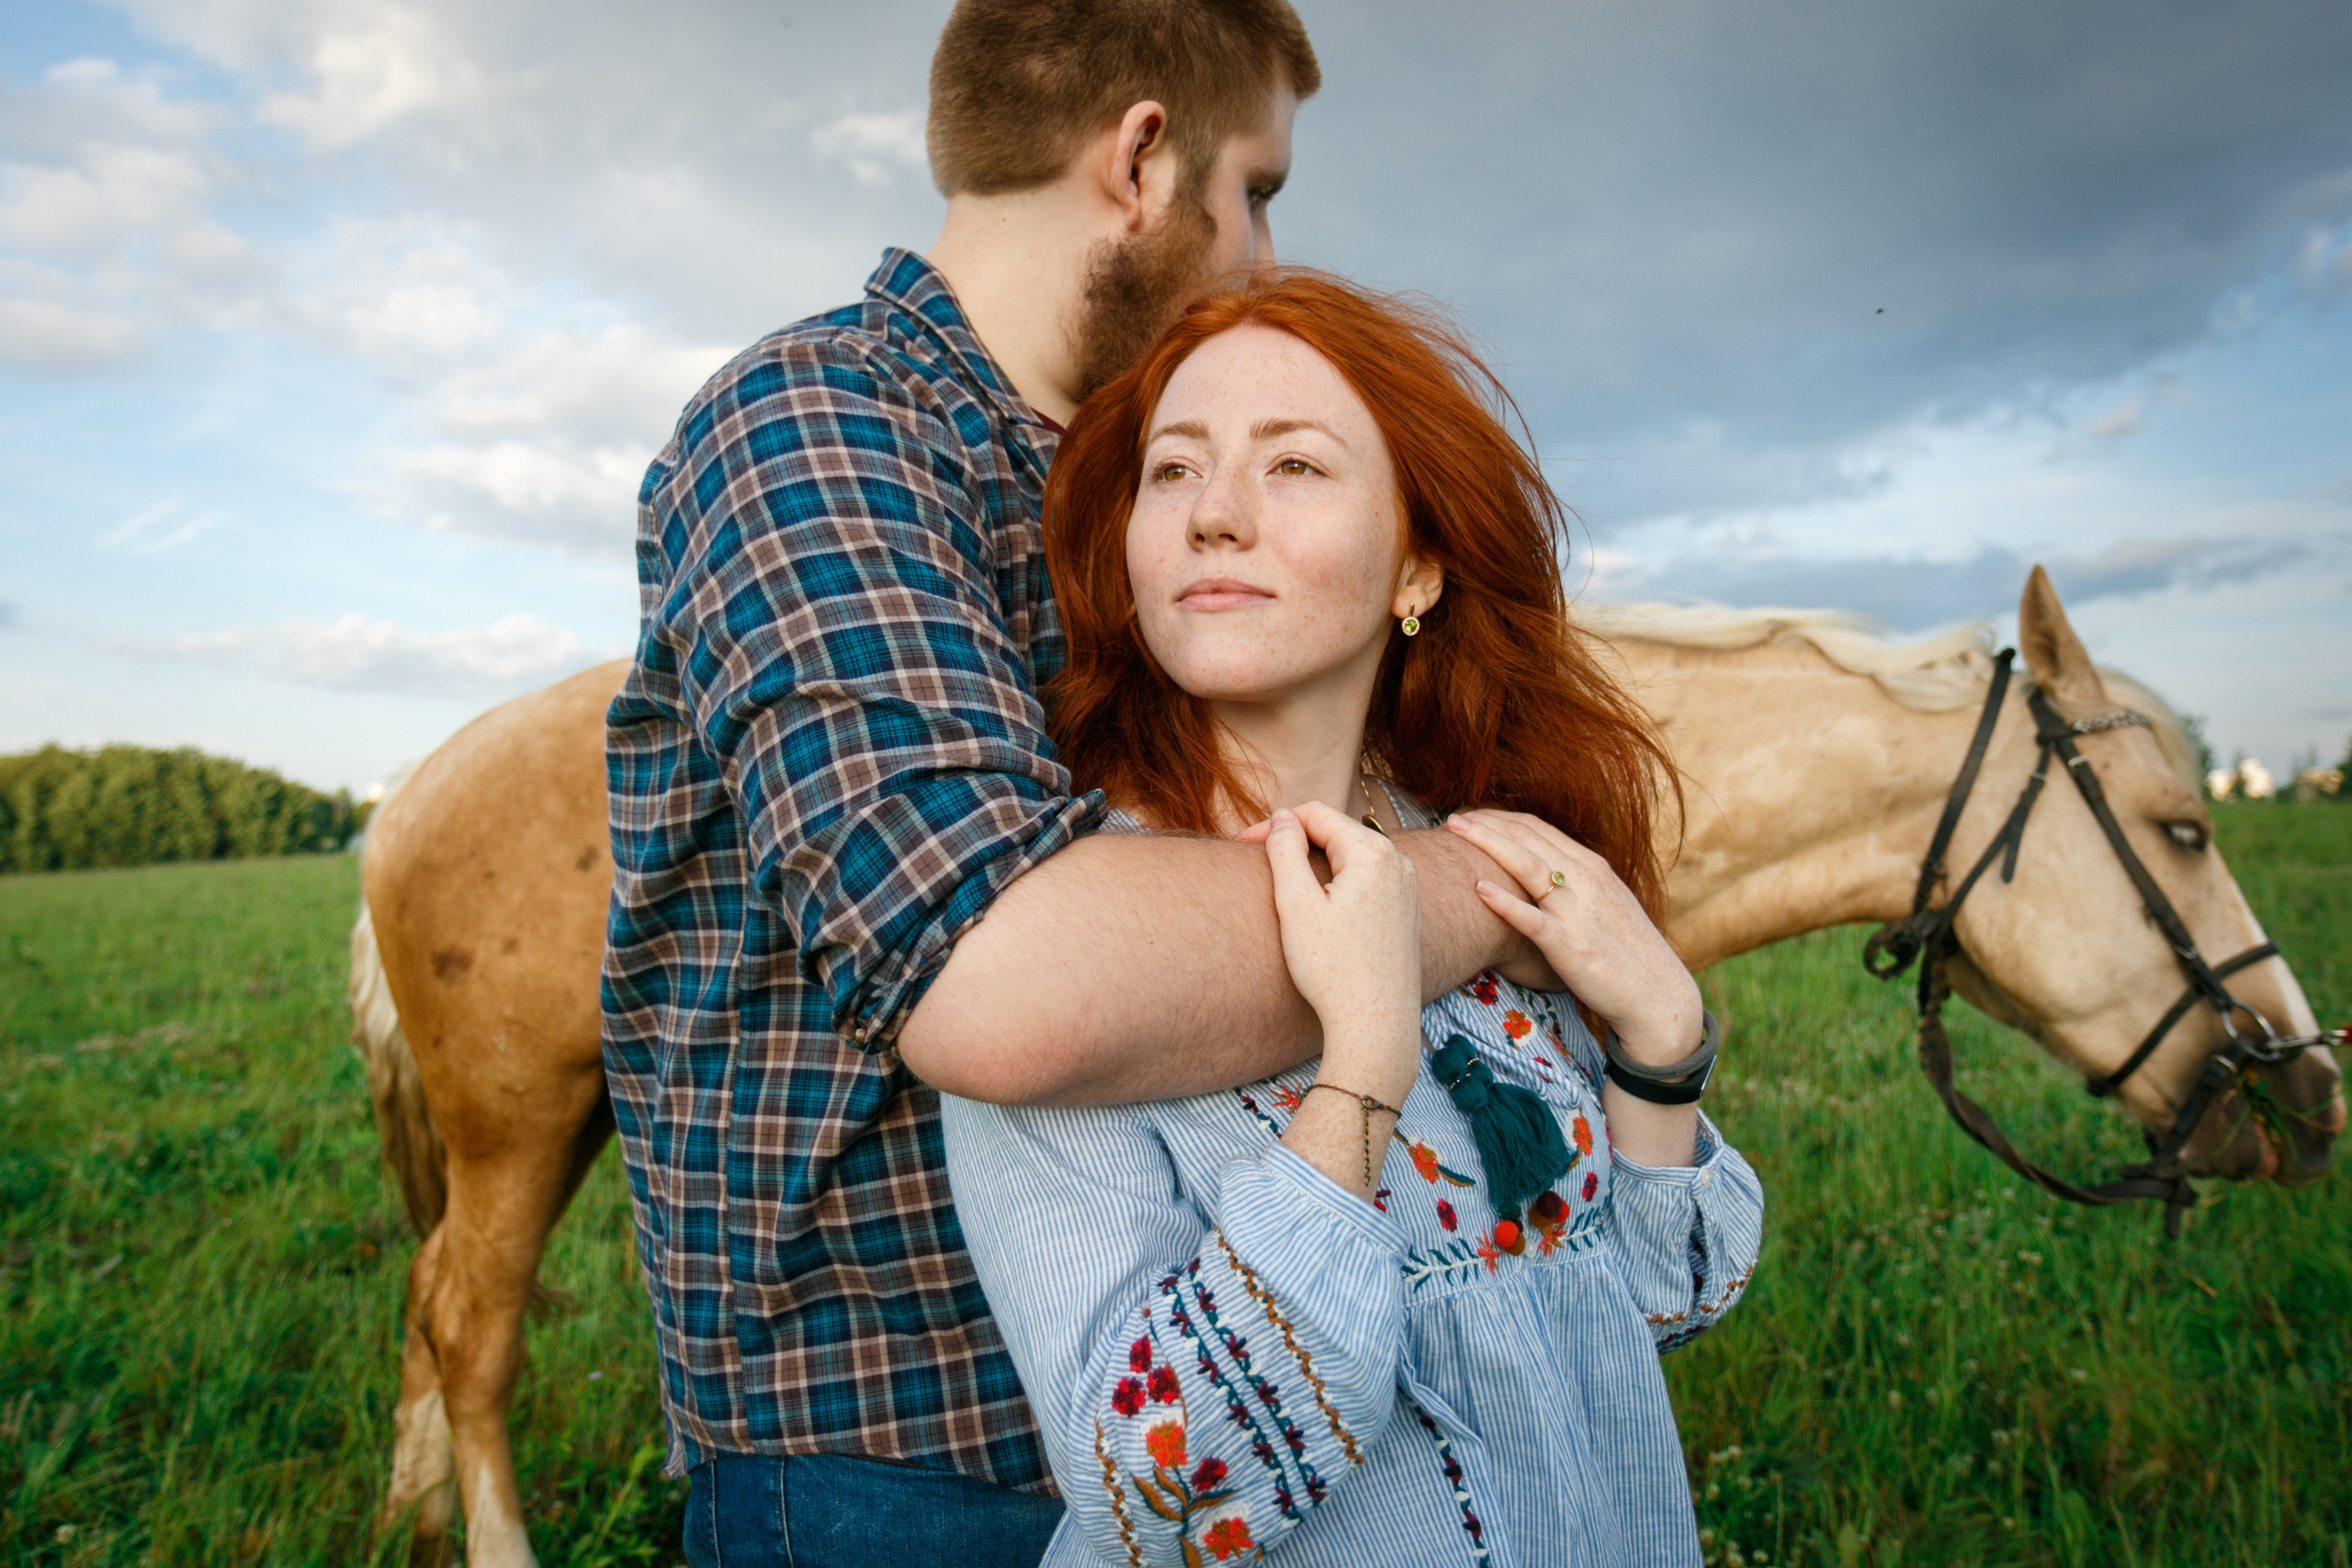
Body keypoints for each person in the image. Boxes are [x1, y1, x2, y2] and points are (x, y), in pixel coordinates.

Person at [604, 6, 1585, 1564]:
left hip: (1245, 1338)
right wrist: (1484, 886)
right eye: (1255, 190)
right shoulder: (816, 429)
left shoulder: (1134, 482)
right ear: (1141, 160)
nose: (1261, 257)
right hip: (907, 1434)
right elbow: (1006, 987)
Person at [941, 273, 1764, 1567]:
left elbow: (1645, 1311)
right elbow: (1164, 1500)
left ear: (1419, 567)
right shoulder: (1072, 946)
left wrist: (1662, 1039)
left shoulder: (1490, 865)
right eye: (1172, 472)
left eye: (1296, 467)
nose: (1216, 515)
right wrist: (1361, 1080)